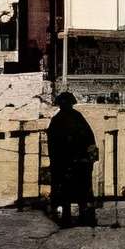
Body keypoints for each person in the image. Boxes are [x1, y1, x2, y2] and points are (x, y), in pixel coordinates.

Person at [43, 91, 97, 227]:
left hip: (71, 162)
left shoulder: (63, 119)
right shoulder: (70, 118)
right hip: (70, 162)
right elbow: (88, 138)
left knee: (74, 190)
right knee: (76, 190)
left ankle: (74, 214)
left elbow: (88, 138)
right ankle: (75, 214)